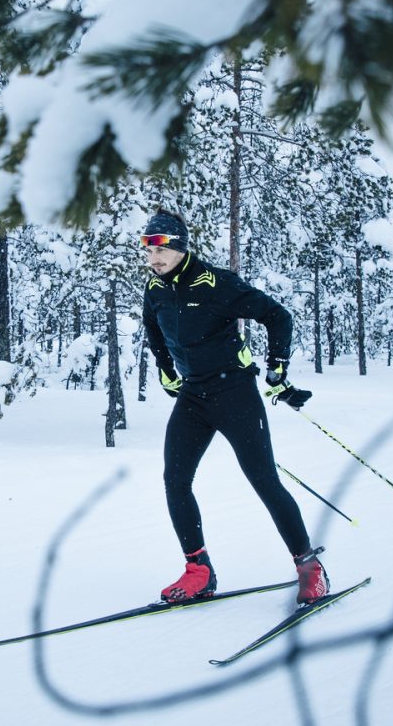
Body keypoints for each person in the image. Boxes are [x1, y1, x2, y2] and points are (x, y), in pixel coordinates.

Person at [139, 209, 329, 607]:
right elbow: (154, 331)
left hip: (235, 393)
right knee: (175, 479)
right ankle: (199, 572)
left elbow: (277, 316)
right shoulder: (154, 290)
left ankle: (309, 567)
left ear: (179, 246)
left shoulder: (215, 283)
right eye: (147, 248)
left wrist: (277, 366)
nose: (153, 258)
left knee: (263, 480)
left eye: (160, 248)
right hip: (193, 396)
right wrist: (165, 369)